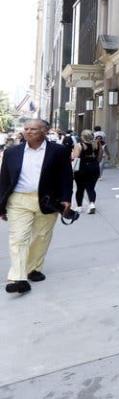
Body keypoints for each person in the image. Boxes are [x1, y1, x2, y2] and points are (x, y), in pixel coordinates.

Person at [0, 119, 73, 294]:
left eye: (33, 129)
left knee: (41, 236)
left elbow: (66, 176)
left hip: (47, 200)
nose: (28, 132)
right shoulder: (12, 152)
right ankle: (18, 278)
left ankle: (33, 268)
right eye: (26, 129)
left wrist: (65, 198)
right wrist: (1, 205)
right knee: (18, 239)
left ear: (45, 131)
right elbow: (3, 180)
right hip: (18, 201)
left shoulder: (58, 151)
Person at [72, 130, 102, 214]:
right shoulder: (97, 144)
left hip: (82, 168)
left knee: (80, 188)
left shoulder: (79, 145)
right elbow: (99, 158)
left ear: (82, 137)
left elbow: (76, 157)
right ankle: (92, 204)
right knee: (91, 187)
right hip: (94, 167)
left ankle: (79, 207)